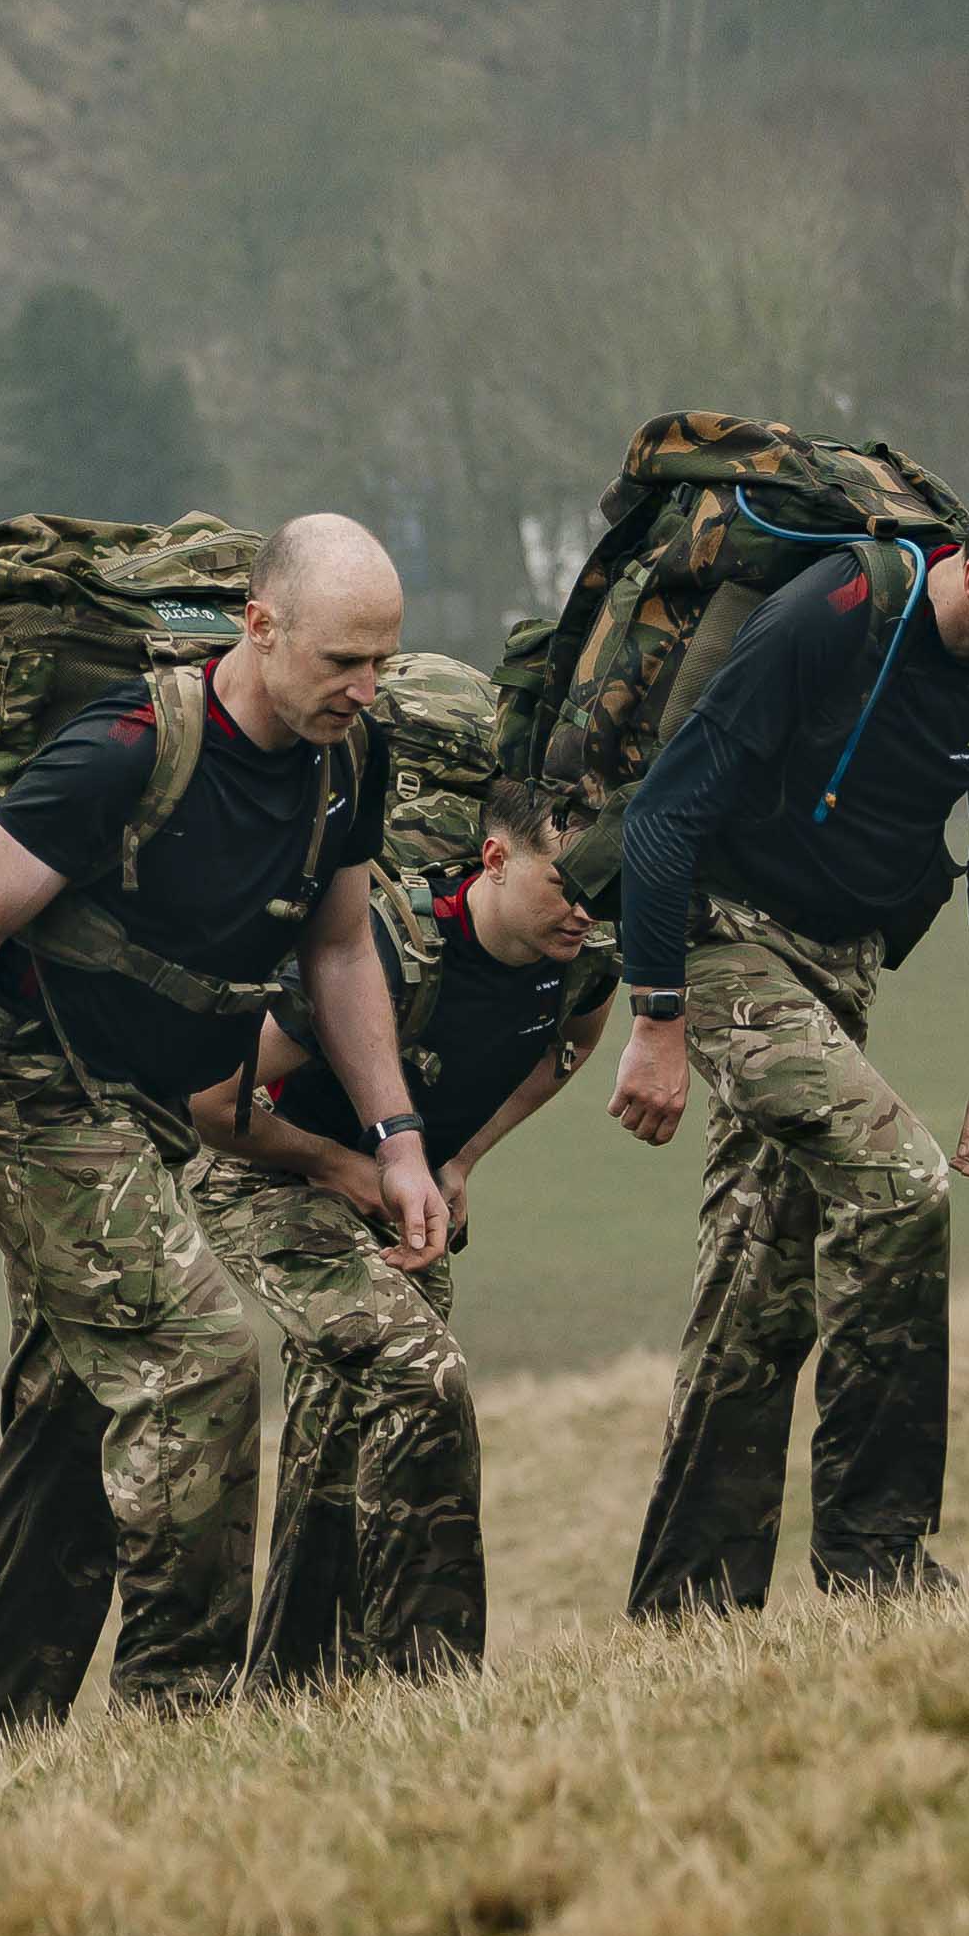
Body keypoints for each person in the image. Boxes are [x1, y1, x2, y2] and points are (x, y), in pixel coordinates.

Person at [0, 515, 435, 1731]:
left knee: (76, 1404)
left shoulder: (351, 758)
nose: (364, 687)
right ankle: (176, 1711)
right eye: (343, 659)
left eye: (382, 661)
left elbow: (340, 950)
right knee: (195, 1357)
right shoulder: (122, 751)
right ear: (259, 626)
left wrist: (395, 1136)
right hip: (24, 1085)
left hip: (145, 1108)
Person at [601, 455, 969, 1617]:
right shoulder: (837, 609)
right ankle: (874, 1556)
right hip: (724, 942)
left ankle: (684, 1611)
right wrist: (654, 1018)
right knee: (900, 1185)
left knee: (755, 1286)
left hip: (840, 971)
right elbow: (668, 808)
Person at [198, 673, 618, 1678]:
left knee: (339, 1429)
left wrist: (461, 1157)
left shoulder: (583, 957)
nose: (585, 912)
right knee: (420, 1375)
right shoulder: (393, 950)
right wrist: (341, 1164)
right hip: (265, 1180)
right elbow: (212, 1102)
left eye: (603, 891)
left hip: (403, 1194)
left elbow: (570, 1039)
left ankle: (295, 1689)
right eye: (564, 885)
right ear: (494, 857)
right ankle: (427, 1677)